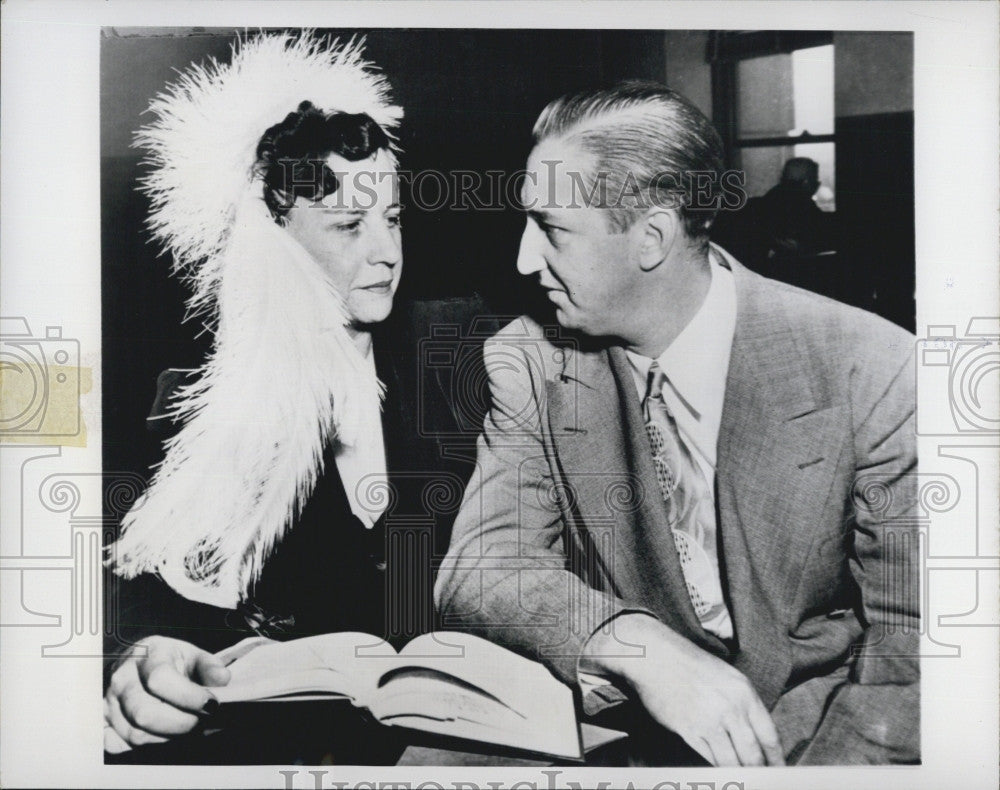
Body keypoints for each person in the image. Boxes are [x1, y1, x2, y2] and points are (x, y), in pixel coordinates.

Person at [434, 82, 918, 766]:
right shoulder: (532, 361)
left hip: (819, 726)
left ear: (653, 238)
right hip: (621, 725)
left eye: (551, 229)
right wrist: (636, 644)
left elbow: (916, 643)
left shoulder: (871, 367)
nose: (523, 260)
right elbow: (481, 564)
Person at [103, 32, 475, 760]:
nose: (386, 253)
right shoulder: (195, 405)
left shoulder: (461, 359)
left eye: (393, 218)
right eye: (347, 225)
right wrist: (144, 656)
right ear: (271, 241)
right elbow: (154, 592)